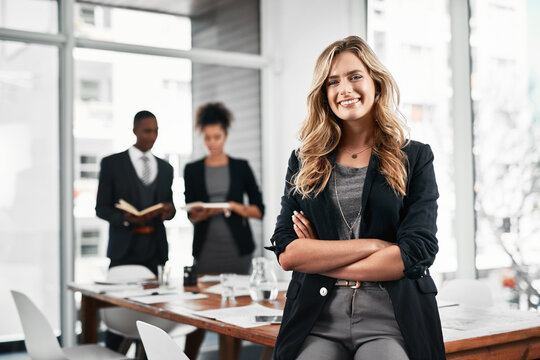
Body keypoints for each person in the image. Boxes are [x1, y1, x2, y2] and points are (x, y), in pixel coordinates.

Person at [267, 36, 445, 360]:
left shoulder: (415, 158)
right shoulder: (304, 160)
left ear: (376, 82)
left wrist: (319, 256)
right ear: (324, 94)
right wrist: (376, 246)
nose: (344, 89)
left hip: (390, 318)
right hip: (317, 318)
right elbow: (288, 252)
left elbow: (415, 253)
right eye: (333, 82)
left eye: (354, 76)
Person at [95, 110, 176, 353]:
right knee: (118, 314)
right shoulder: (111, 164)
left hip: (155, 250)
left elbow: (168, 206)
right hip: (124, 249)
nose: (152, 136)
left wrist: (168, 211)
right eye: (147, 131)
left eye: (156, 131)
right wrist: (124, 217)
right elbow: (101, 208)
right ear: (134, 131)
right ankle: (111, 356)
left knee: (152, 315)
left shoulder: (166, 168)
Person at [184, 102, 265, 275]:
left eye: (217, 137)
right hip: (205, 250)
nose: (212, 143)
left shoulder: (241, 167)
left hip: (238, 250)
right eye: (207, 138)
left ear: (225, 135)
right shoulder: (192, 170)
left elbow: (259, 211)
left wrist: (235, 207)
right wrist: (202, 213)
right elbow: (191, 215)